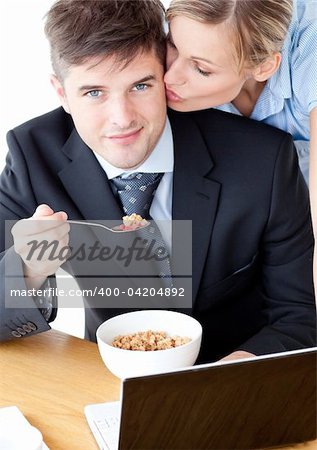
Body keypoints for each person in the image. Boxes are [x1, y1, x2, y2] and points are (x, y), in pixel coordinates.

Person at [0, 0, 315, 364]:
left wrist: (237, 371)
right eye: (93, 93)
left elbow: (299, 313)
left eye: (141, 86)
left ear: (163, 71)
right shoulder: (33, 154)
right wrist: (28, 270)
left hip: (237, 381)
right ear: (62, 93)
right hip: (108, 384)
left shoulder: (263, 158)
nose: (122, 119)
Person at [164, 0, 317, 186]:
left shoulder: (311, 48)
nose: (169, 78)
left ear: (263, 67)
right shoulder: (186, 29)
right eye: (172, 44)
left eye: (202, 69)